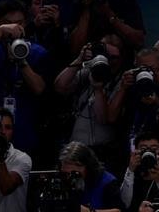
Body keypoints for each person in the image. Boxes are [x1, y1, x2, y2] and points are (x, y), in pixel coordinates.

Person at [0, 0, 51, 159]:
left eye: (18, 23)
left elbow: (39, 88)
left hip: (24, 130)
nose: (14, 28)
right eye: (8, 23)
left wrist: (20, 59)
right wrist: (0, 31)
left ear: (26, 22)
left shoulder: (37, 52)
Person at [54, 34, 127, 169]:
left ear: (121, 58)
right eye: (106, 55)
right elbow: (60, 86)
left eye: (114, 58)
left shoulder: (122, 80)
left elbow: (104, 118)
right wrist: (80, 59)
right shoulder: (89, 70)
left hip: (103, 152)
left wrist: (98, 89)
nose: (109, 61)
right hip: (75, 147)